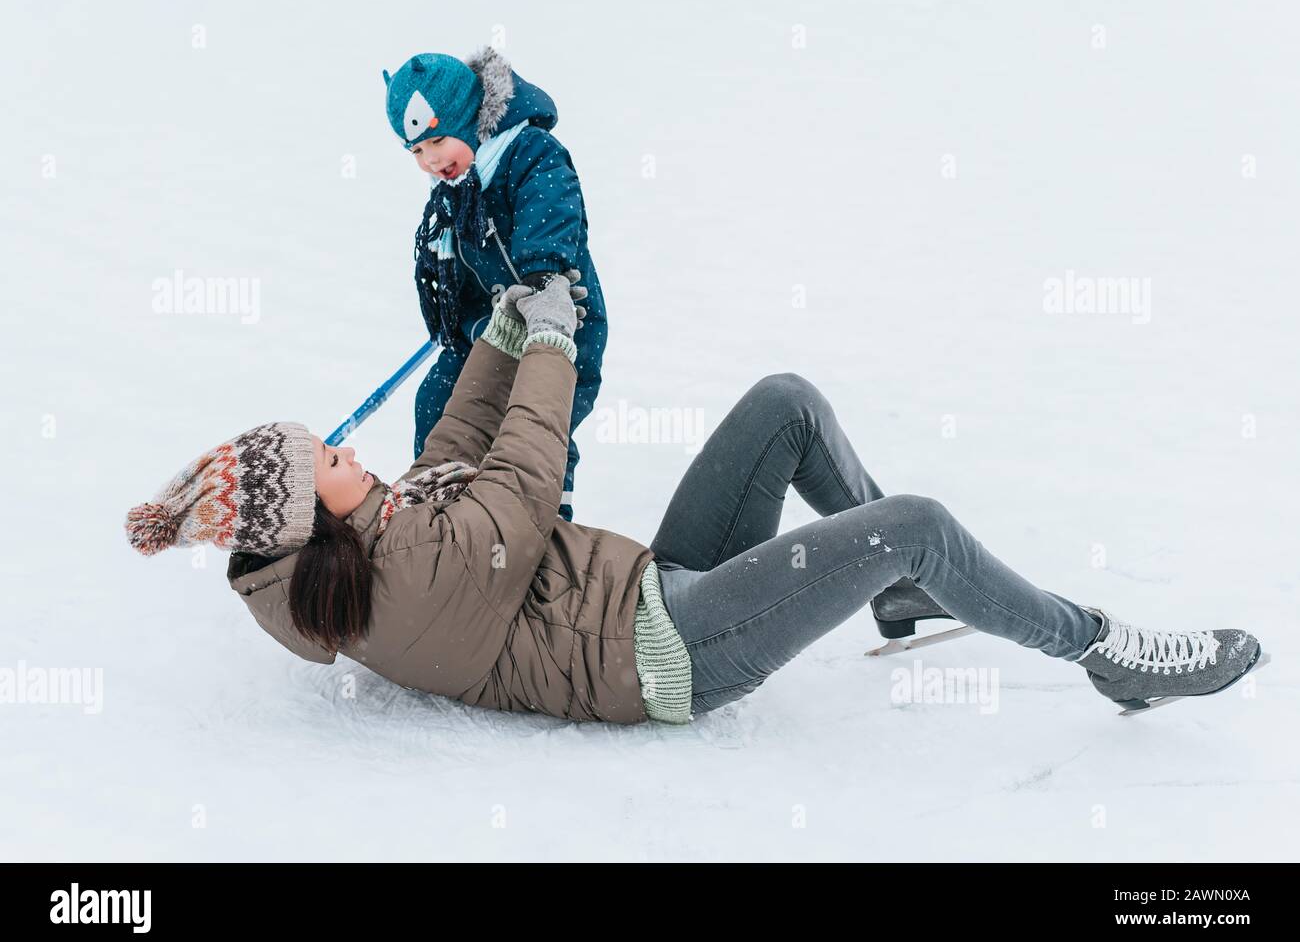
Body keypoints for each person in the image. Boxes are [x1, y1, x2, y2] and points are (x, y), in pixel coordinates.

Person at [125, 279, 1266, 725]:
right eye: (323, 455)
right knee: (909, 519)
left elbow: (467, 437)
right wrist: (557, 355)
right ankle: (1104, 649)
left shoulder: (384, 517)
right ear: (311, 516)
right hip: (661, 656)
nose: (342, 446)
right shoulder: (392, 593)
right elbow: (519, 485)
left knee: (785, 402)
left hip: (656, 588)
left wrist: (509, 327)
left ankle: (901, 601)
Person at [384, 46, 609, 521]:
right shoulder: (456, 191)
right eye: (417, 151)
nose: (429, 159)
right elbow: (461, 264)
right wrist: (456, 316)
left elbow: (551, 208)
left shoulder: (528, 153)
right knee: (436, 399)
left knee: (537, 427)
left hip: (558, 322)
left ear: (469, 120)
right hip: (491, 331)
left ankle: (547, 526)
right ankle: (440, 515)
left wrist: (543, 274)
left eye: (437, 140)